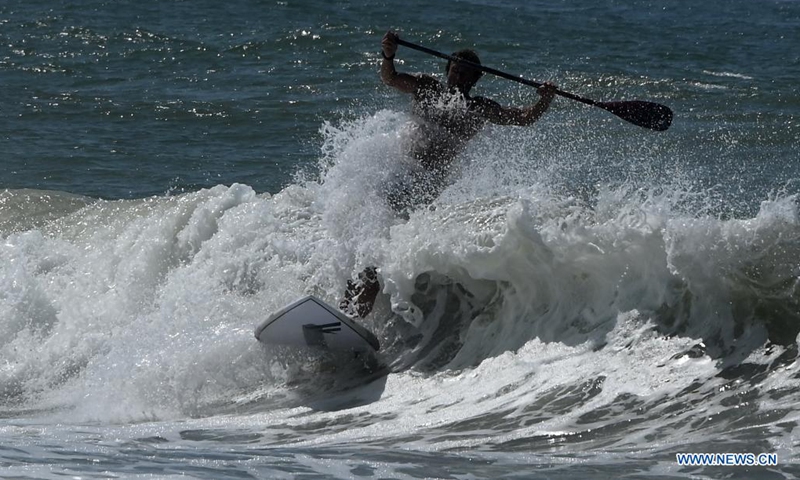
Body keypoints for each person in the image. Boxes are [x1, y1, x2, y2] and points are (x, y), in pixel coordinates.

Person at [338, 30, 557, 319]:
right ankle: (349, 312)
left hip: (428, 191)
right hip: (400, 174)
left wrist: (545, 99)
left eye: (467, 75)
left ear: (476, 79)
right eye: (456, 71)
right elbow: (390, 78)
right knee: (375, 245)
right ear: (447, 70)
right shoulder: (426, 88)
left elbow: (522, 118)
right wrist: (388, 55)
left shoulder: (478, 108)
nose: (460, 78)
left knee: (385, 251)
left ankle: (355, 316)